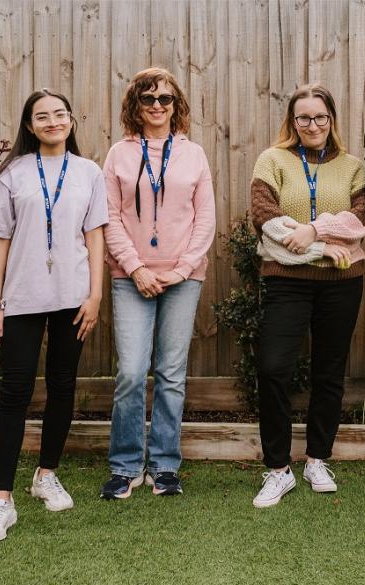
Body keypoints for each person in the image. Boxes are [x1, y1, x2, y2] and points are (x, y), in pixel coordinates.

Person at [0, 89, 107, 543]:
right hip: (21, 298)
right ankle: (2, 498)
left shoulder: (88, 172)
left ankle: (46, 475)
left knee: (62, 386)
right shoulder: (12, 173)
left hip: (73, 296)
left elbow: (95, 236)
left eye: (60, 113)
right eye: (43, 116)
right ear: (30, 125)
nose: (53, 121)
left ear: (72, 121)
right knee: (14, 392)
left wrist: (95, 294)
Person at [250, 83, 365, 508]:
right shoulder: (273, 160)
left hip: (342, 283)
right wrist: (321, 248)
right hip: (286, 280)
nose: (313, 125)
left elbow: (359, 221)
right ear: (292, 122)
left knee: (329, 372)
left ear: (331, 120)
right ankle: (278, 469)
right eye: (304, 118)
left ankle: (317, 458)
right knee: (273, 368)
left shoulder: (354, 166)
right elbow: (264, 218)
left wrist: (313, 230)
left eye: (320, 117)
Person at [100, 67, 215, 500]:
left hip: (183, 278)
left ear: (175, 105)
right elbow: (109, 217)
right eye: (147, 99)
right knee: (130, 372)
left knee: (171, 373)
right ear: (136, 105)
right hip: (131, 277)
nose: (156, 106)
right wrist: (136, 269)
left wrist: (181, 269)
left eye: (164, 99)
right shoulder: (118, 154)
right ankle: (126, 466)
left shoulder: (194, 155)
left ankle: (165, 466)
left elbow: (205, 218)